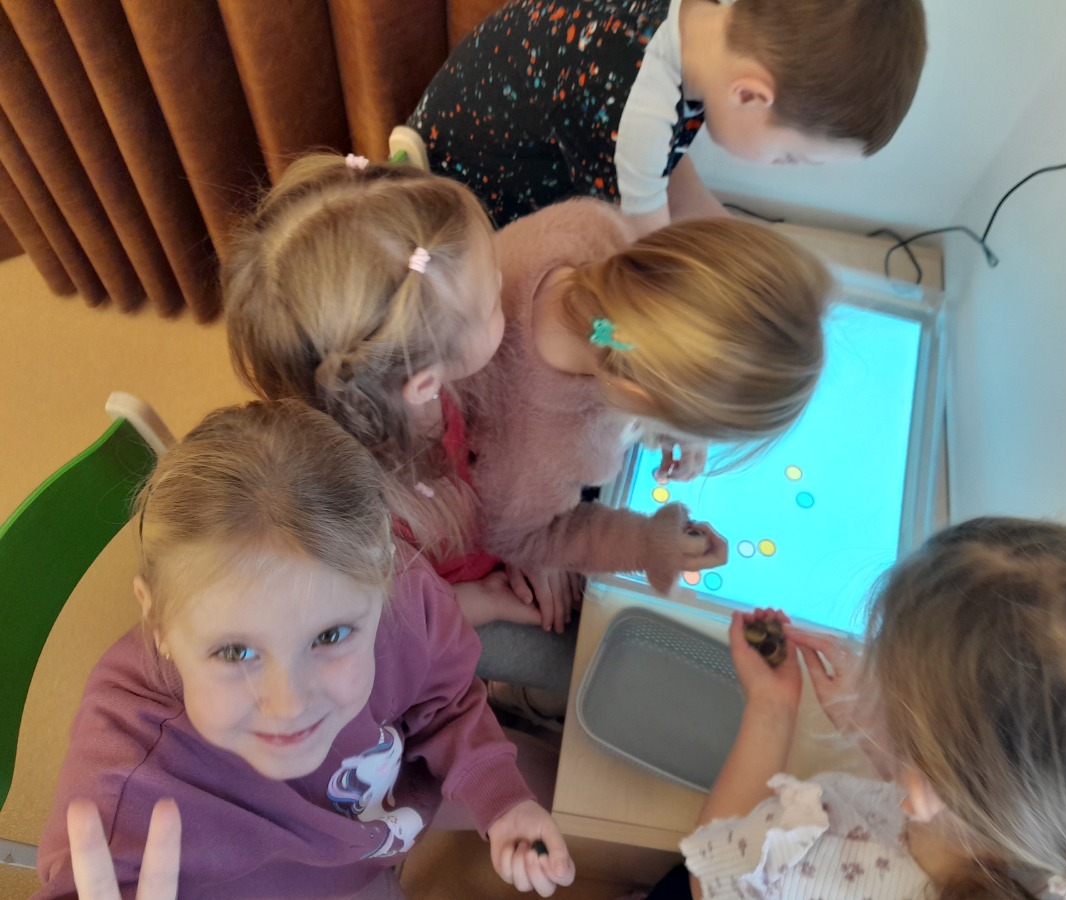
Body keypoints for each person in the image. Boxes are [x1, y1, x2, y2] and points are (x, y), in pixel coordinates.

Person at [35, 401, 575, 899]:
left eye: (330, 637)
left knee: (575, 795)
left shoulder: (403, 595)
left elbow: (446, 700)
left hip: (391, 811)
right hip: (310, 884)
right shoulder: (128, 785)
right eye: (235, 653)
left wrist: (500, 795)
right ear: (156, 620)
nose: (289, 705)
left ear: (385, 572)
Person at [649, 517, 1066, 899]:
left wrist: (772, 706)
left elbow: (715, 868)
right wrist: (889, 741)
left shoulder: (808, 864)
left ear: (925, 789)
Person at [224, 151, 571, 632]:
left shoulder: (410, 379)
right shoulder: (358, 518)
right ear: (424, 383)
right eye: (491, 301)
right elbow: (389, 620)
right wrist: (482, 600)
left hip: (499, 542)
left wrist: (530, 539)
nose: (501, 281)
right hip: (447, 611)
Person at [460, 197, 829, 594]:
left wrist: (680, 409)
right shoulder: (543, 451)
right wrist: (646, 543)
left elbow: (632, 337)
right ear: (640, 395)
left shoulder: (594, 227)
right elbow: (516, 538)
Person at [392, 0, 926, 234]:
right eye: (790, 157)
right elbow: (647, 253)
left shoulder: (700, 25)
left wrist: (725, 231)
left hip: (489, 113)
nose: (782, 167)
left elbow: (660, 169)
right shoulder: (631, 111)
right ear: (749, 94)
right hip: (465, 189)